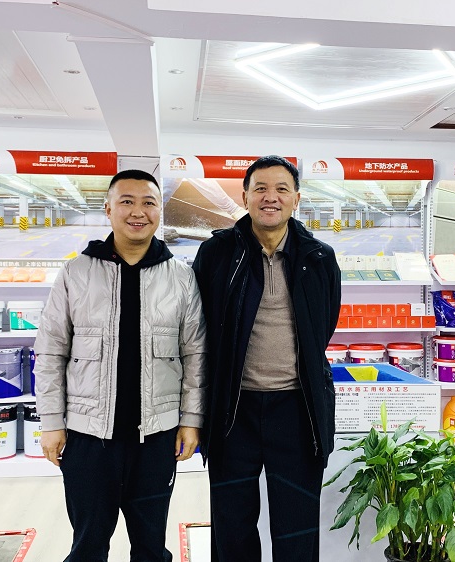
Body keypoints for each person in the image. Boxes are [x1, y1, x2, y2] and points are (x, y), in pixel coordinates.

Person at [35, 169, 206, 562]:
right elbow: (50, 351)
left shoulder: (181, 277)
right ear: (108, 209)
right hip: (89, 436)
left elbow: (196, 354)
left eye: (148, 203)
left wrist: (191, 419)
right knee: (88, 543)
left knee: (150, 545)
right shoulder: (76, 273)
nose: (138, 212)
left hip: (156, 435)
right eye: (127, 201)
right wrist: (51, 422)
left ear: (159, 211)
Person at [191, 155, 341, 562]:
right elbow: (200, 327)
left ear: (296, 199)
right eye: (260, 189)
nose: (270, 197)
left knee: (297, 527)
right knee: (232, 527)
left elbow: (323, 327)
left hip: (297, 410)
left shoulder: (319, 258)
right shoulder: (217, 253)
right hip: (233, 411)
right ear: (245, 197)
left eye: (281, 189)